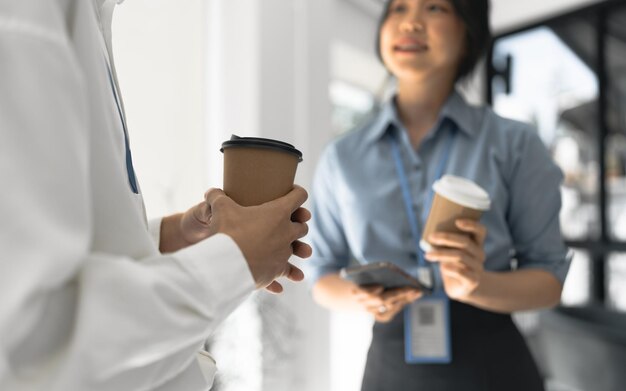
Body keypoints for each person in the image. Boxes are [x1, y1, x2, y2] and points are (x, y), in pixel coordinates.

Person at [0, 0, 311, 390]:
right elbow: (31, 340)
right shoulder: (30, 16)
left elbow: (48, 245)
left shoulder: (91, 15)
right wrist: (235, 261)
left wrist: (170, 238)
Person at [305, 0, 571, 390]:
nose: (410, 22)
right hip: (390, 364)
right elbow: (321, 275)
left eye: (434, 7)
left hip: (493, 364)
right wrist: (363, 298)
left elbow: (549, 279)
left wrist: (479, 283)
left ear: (468, 33)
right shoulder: (342, 158)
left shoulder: (515, 144)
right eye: (397, 8)